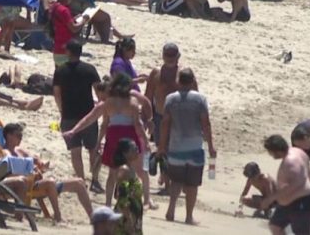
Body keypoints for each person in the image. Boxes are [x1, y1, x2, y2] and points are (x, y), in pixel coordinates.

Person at [63, 74, 149, 208]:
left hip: (113, 137)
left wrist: (74, 130)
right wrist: (146, 141)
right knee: (135, 171)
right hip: (129, 137)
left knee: (112, 173)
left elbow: (90, 118)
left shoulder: (107, 103)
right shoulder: (132, 102)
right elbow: (138, 125)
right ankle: (137, 201)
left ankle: (108, 203)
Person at [2, 122, 94, 223]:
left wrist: (40, 164)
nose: (20, 138)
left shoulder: (19, 150)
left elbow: (34, 159)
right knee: (50, 183)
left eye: (21, 135)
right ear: (9, 135)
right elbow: (9, 173)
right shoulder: (5, 153)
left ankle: (94, 218)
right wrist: (31, 172)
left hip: (38, 183)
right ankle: (58, 217)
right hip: (28, 185)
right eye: (18, 135)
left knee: (79, 182)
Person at [158, 67, 215, 226]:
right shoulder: (200, 99)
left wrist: (162, 146)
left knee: (176, 180)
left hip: (176, 146)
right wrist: (210, 145)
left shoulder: (170, 99)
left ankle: (171, 210)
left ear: (178, 81)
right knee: (192, 184)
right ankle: (189, 217)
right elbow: (206, 124)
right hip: (195, 147)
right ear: (192, 81)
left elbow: (165, 124)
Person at [53, 39, 104, 194]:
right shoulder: (89, 69)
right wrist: (99, 106)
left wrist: (61, 110)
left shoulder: (60, 70)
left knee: (75, 151)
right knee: (93, 149)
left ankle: (81, 181)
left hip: (69, 115)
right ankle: (95, 179)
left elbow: (56, 93)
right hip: (88, 114)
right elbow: (99, 90)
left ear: (68, 52)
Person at [262, 134, 310, 235]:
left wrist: (271, 198)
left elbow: (296, 183)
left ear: (277, 151)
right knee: (275, 226)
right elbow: (308, 174)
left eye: (270, 152)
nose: (270, 154)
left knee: (302, 232)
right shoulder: (298, 151)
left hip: (302, 202)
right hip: (289, 203)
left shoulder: (290, 162)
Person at [50, 0, 90, 68]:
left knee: (59, 76)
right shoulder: (64, 10)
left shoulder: (55, 7)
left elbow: (62, 22)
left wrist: (73, 19)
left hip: (57, 48)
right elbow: (74, 28)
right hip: (65, 51)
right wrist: (84, 21)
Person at [111, 138, 144, 235]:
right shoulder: (124, 170)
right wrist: (128, 220)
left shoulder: (131, 169)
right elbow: (121, 197)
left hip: (134, 216)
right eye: (134, 149)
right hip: (126, 216)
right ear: (125, 153)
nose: (137, 150)